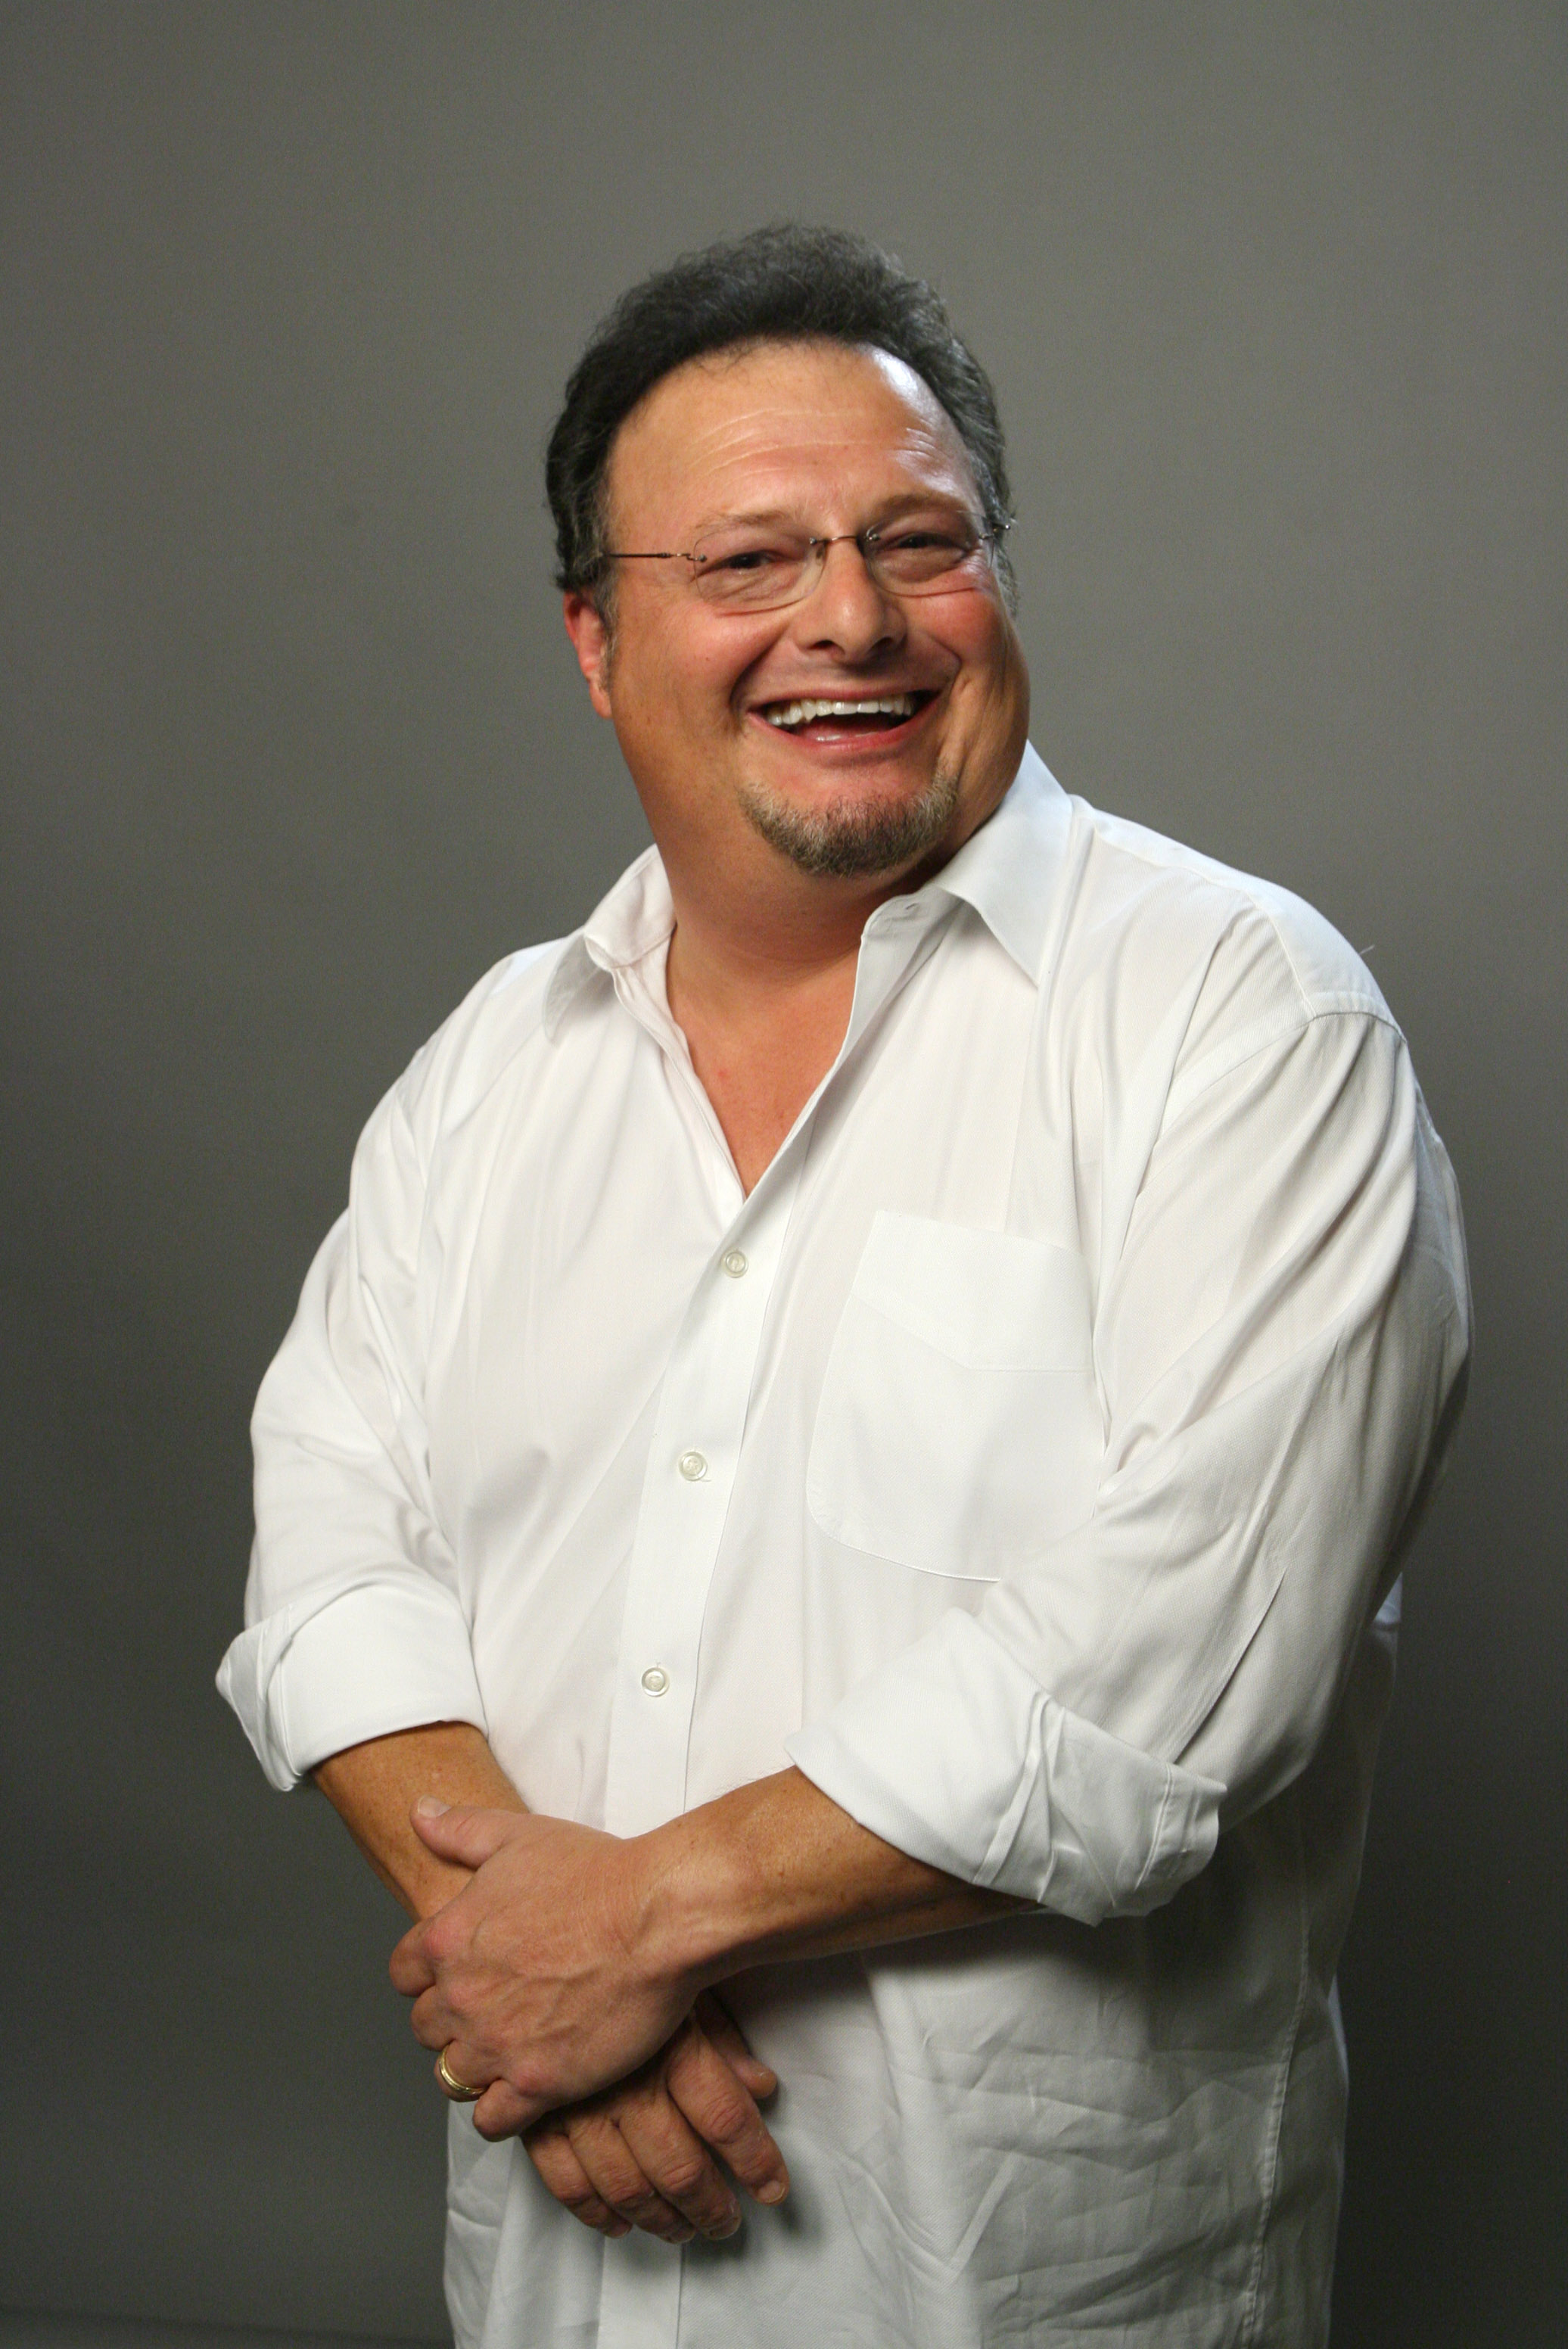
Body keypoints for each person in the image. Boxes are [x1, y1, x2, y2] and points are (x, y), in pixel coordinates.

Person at [218, 225, 1470, 2349]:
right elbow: (335, 1562)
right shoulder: (489, 1072)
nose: (853, 620)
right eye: (747, 565)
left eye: (923, 541)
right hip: (562, 2277)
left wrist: (623, 1936)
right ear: (597, 645)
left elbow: (1174, 1675)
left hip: (1037, 2291)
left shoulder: (1245, 1021)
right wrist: (538, 1983)